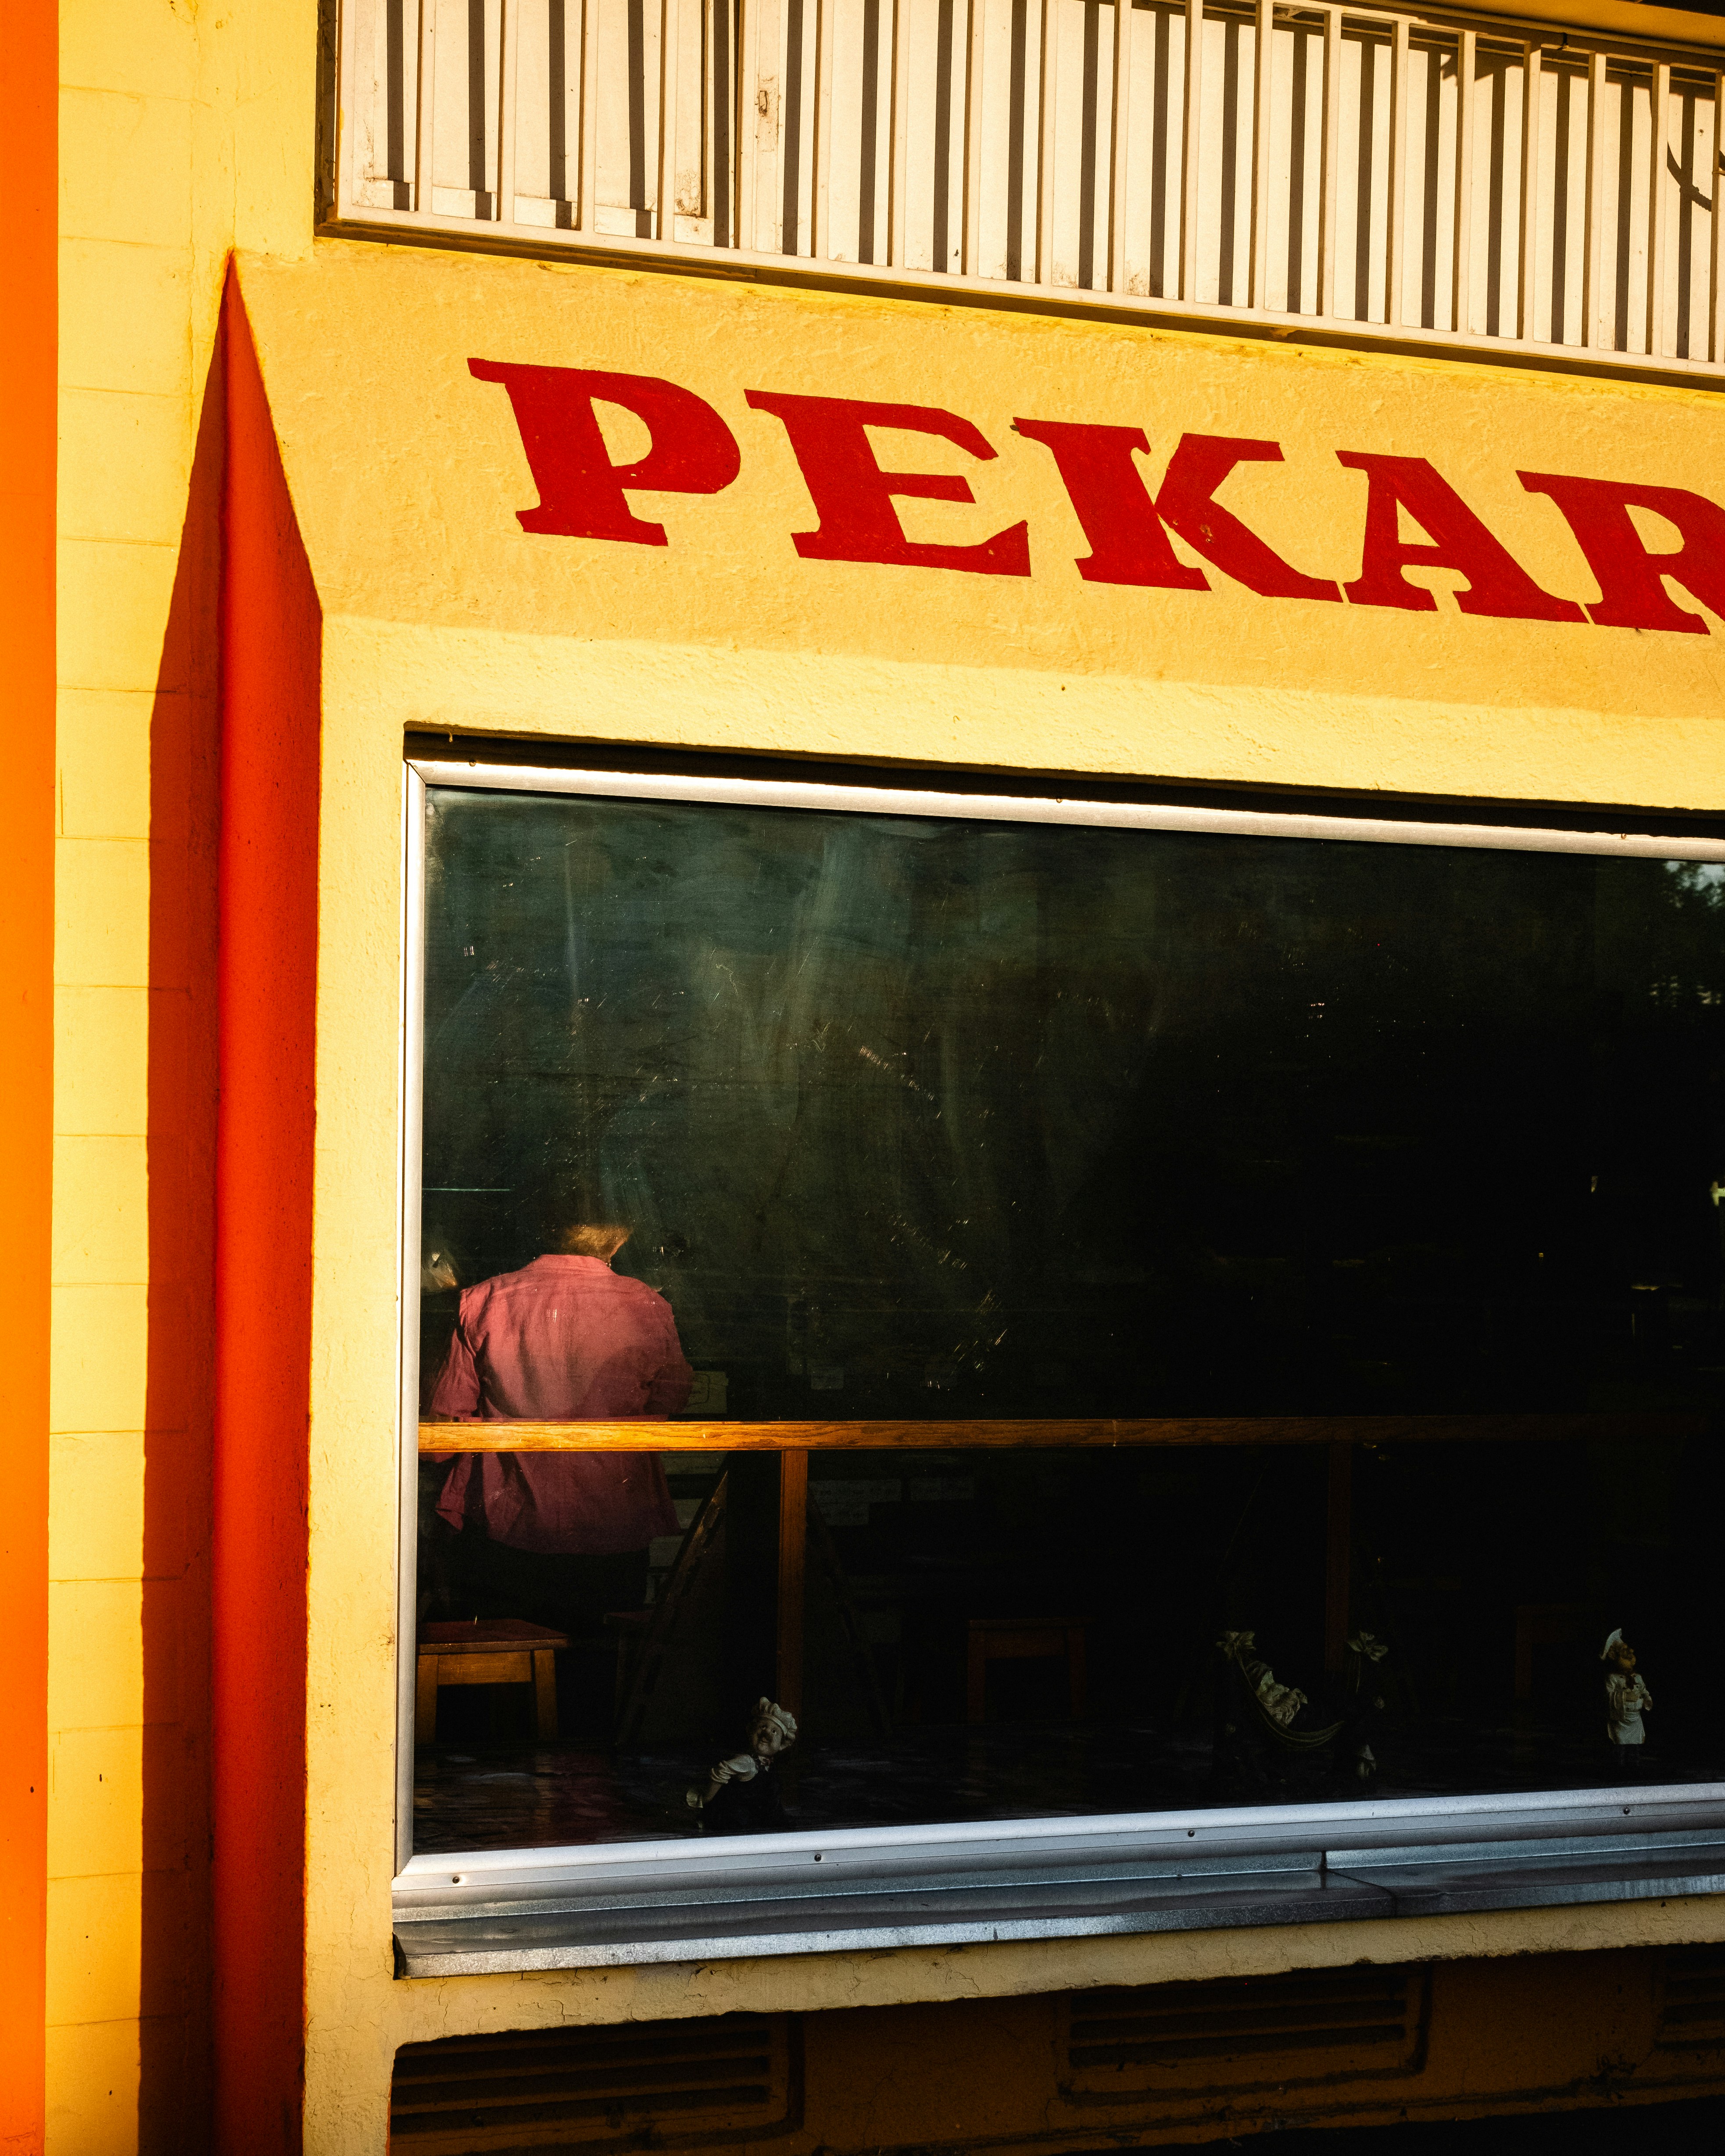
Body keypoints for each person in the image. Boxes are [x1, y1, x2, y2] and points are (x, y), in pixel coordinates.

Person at [426, 1181, 693, 1712]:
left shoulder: (482, 1300)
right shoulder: (647, 1305)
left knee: (511, 1679)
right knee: (598, 1670)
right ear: (618, 1240)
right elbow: (671, 1395)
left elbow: (446, 1418)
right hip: (612, 1522)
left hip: (511, 1519)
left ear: (544, 1230)